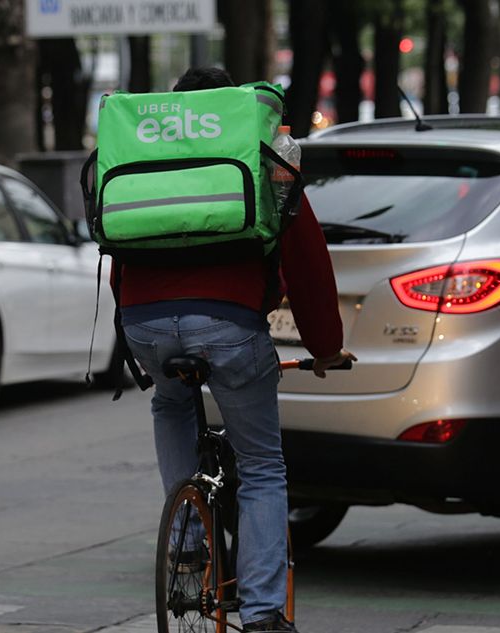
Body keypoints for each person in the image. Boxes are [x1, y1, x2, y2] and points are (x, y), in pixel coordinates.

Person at [118, 67, 355, 633]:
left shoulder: (145, 155)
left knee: (170, 402)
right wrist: (324, 348)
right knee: (262, 467)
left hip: (144, 322)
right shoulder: (261, 153)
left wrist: (141, 331)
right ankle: (264, 613)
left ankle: (188, 540)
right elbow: (305, 259)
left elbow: (120, 247)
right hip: (229, 323)